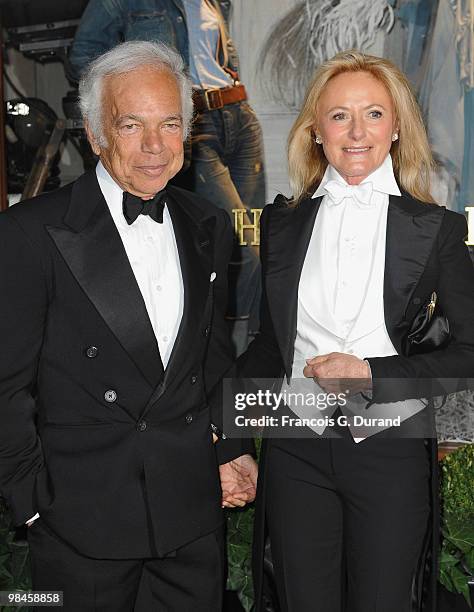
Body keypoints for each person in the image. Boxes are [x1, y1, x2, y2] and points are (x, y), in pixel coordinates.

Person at [0, 40, 258, 612]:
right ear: (95, 134)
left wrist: (232, 447)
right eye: (131, 125)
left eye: (169, 124)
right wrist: (32, 502)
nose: (153, 148)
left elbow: (212, 354)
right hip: (81, 526)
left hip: (190, 520)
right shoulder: (28, 234)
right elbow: (4, 385)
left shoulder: (207, 224)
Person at [237, 50, 474, 611]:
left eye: (373, 113)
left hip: (390, 448)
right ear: (316, 130)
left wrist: (371, 373)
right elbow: (268, 347)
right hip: (296, 446)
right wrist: (237, 439)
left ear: (396, 128)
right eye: (339, 115)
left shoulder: (436, 229)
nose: (356, 130)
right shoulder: (281, 223)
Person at [67, 0, 266, 353]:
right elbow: (82, 53)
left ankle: (255, 358)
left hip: (236, 115)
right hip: (188, 123)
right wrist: (128, 98)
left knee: (255, 238)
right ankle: (227, 355)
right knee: (239, 249)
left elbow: (216, 57)